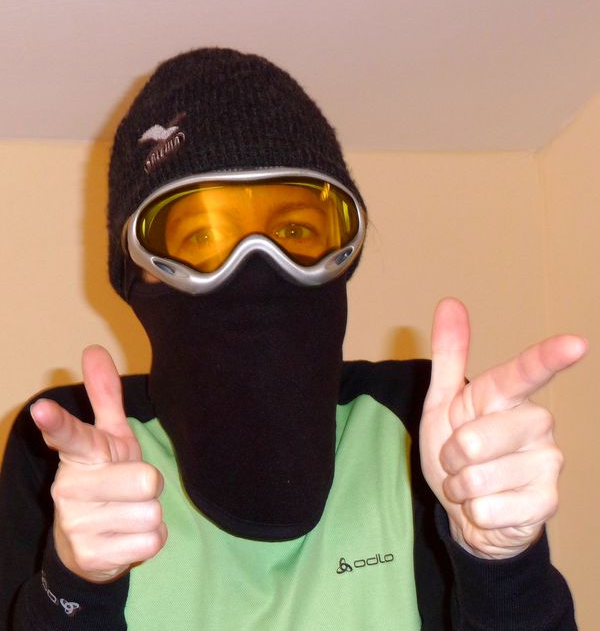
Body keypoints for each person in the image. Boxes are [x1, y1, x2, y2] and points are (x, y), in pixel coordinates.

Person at [0, 48, 587, 630]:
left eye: (296, 228)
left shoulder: (422, 425)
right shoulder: (67, 454)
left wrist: (502, 565)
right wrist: (74, 589)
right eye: (201, 236)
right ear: (139, 273)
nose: (258, 261)